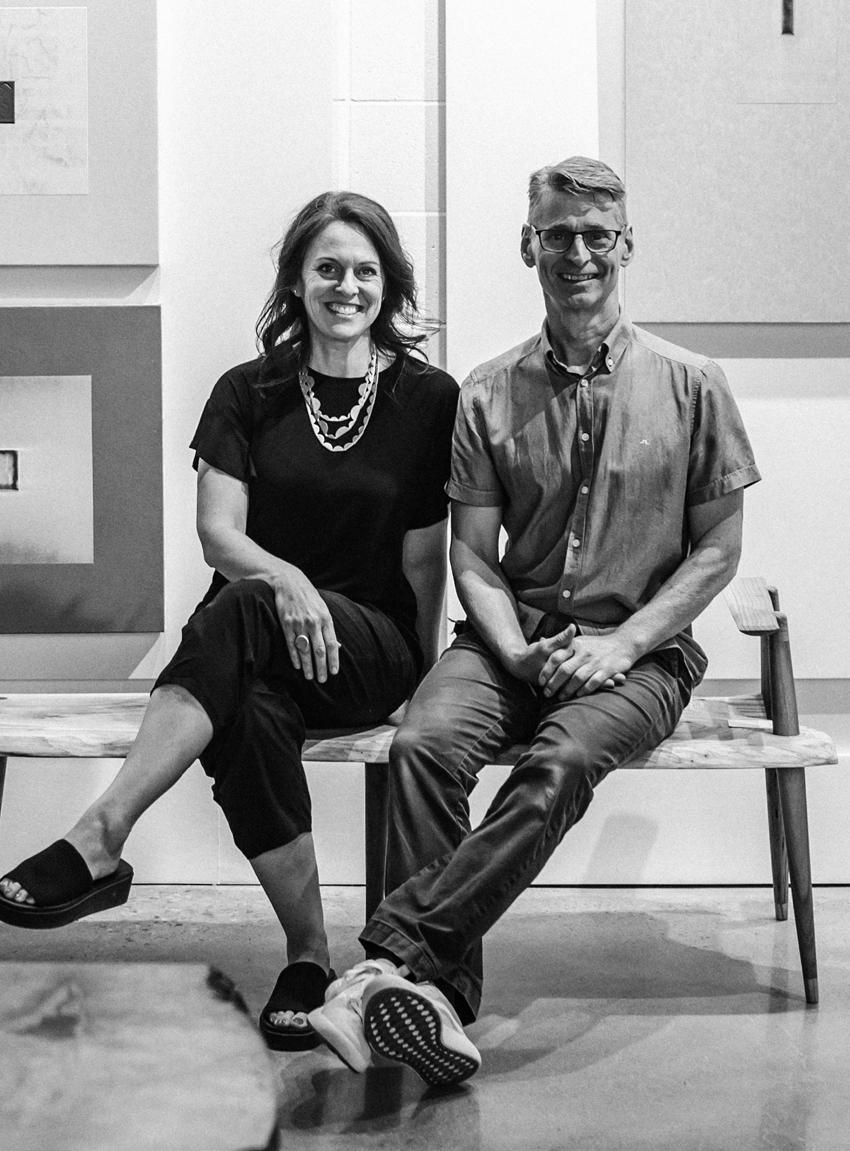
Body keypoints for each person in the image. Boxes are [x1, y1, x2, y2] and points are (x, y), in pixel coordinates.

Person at [305, 156, 762, 1086]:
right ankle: (436, 999)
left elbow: (717, 549)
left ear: (626, 245)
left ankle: (391, 967)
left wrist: (622, 643)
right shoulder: (486, 390)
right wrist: (514, 649)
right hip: (510, 638)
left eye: (597, 236)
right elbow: (472, 554)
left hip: (642, 653)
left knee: (557, 761)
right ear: (528, 245)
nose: (577, 254)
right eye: (557, 235)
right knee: (424, 744)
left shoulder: (693, 382)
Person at [0, 191, 459, 1052]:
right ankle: (309, 959)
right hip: (252, 648)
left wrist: (424, 684)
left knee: (243, 603)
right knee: (246, 712)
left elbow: (425, 562)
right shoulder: (248, 391)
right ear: (297, 280)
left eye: (364, 271)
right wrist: (287, 580)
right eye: (327, 268)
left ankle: (102, 832)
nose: (346, 286)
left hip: (368, 649)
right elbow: (219, 533)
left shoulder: (428, 398)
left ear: (388, 284)